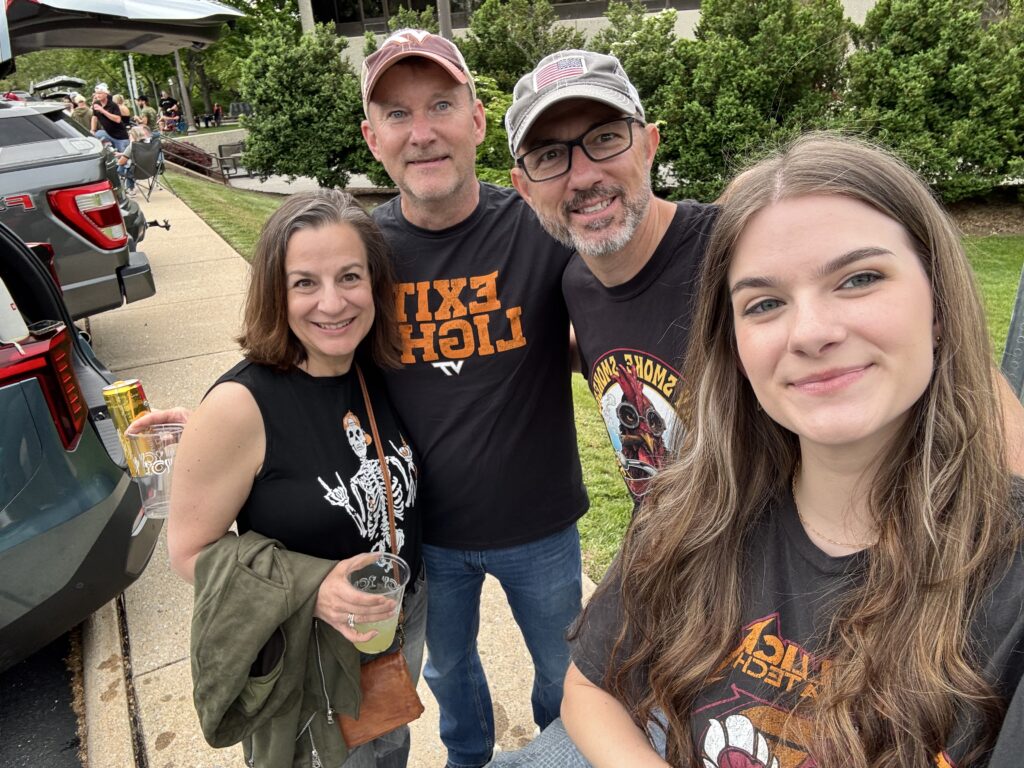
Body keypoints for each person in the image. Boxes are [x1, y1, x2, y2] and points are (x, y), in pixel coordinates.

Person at [494, 132, 1024, 768]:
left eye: (859, 278)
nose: (812, 333)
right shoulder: (692, 509)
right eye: (766, 302)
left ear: (938, 303)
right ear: (734, 344)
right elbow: (590, 686)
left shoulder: (1005, 580)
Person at [359, 30, 588, 768]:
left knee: (565, 676)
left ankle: (560, 755)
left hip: (542, 524)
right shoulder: (359, 253)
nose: (421, 132)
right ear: (372, 138)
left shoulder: (543, 227)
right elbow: (296, 363)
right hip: (424, 535)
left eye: (441, 105)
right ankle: (469, 758)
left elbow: (619, 314)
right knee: (447, 670)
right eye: (397, 113)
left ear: (480, 120)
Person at [167, 189, 426, 767]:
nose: (332, 303)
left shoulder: (375, 369)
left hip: (395, 627)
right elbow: (188, 552)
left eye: (350, 277)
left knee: (388, 753)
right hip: (308, 658)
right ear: (275, 294)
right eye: (304, 282)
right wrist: (314, 589)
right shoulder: (238, 406)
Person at [506, 50, 716, 503]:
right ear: (524, 188)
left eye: (604, 138)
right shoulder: (578, 285)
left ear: (649, 144)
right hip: (665, 553)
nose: (582, 176)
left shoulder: (730, 252)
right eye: (548, 155)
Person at [90, 83, 130, 151]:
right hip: (107, 133)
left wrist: (102, 110)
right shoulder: (96, 103)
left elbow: (118, 119)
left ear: (106, 94)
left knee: (124, 156)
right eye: (96, 93)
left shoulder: (113, 105)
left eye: (100, 93)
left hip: (120, 136)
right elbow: (94, 117)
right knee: (96, 135)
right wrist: (92, 130)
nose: (97, 95)